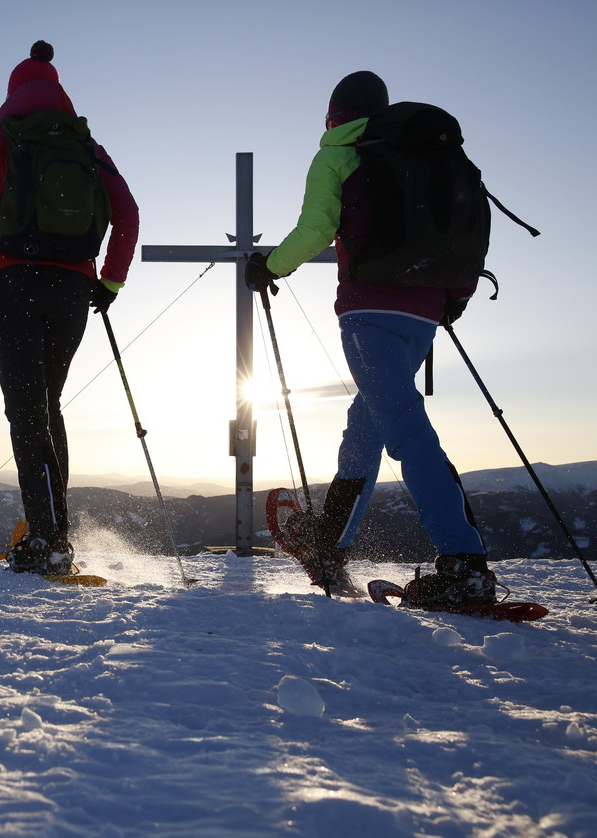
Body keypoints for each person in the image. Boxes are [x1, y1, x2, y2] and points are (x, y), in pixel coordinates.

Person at [244, 70, 495, 607]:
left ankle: (463, 561)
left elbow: (315, 228)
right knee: (369, 425)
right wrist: (450, 299)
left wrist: (270, 266)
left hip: (369, 314)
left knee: (403, 427)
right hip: (426, 316)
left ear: (333, 114)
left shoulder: (337, 154)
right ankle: (331, 540)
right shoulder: (422, 153)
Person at [0, 41, 138, 574]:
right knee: (48, 405)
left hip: (11, 285)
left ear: (12, 92)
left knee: (26, 411)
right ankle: (55, 532)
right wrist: (110, 282)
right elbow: (129, 212)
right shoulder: (86, 146)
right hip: (73, 290)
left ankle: (48, 540)